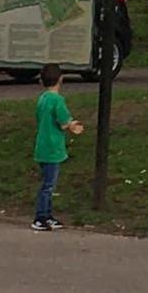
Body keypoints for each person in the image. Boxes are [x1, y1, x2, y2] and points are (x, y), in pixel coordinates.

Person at [30, 68, 83, 230]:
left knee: (47, 182)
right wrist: (74, 126)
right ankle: (40, 217)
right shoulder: (57, 100)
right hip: (53, 146)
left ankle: (47, 215)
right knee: (48, 185)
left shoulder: (43, 98)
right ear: (60, 79)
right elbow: (63, 122)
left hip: (42, 145)